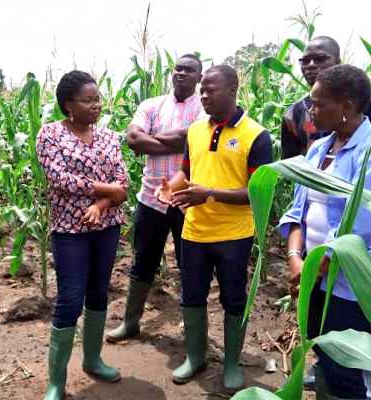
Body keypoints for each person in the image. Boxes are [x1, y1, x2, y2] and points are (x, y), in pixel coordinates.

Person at [279, 64, 371, 399]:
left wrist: (314, 269)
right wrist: (296, 258)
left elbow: (365, 228)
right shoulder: (318, 149)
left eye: (318, 104)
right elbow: (298, 210)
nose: (311, 111)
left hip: (353, 283)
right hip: (313, 274)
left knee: (345, 367)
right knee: (324, 352)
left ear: (347, 107)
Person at [155, 65, 273, 392]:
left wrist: (208, 194)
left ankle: (232, 363)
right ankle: (196, 357)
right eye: (202, 90)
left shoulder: (256, 135)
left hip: (234, 235)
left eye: (211, 90)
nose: (203, 95)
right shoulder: (194, 130)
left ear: (234, 89)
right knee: (192, 297)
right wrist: (170, 189)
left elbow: (257, 193)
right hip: (194, 232)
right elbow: (186, 172)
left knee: (234, 300)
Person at [36, 70, 128, 400]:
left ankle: (92, 359)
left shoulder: (108, 137)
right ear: (67, 104)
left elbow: (123, 183)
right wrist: (107, 191)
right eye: (88, 100)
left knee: (99, 293)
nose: (97, 105)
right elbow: (60, 179)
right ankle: (56, 383)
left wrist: (101, 205)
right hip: (69, 231)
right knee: (70, 299)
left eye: (98, 99)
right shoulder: (49, 135)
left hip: (106, 227)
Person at [106, 54, 206, 343]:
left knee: (190, 265)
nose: (182, 73)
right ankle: (130, 322)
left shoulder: (204, 106)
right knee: (143, 261)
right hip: (151, 198)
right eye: (178, 68)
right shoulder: (151, 104)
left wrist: (153, 137)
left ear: (199, 77)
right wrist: (175, 140)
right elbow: (133, 139)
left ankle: (193, 332)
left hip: (188, 198)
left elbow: (194, 138)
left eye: (190, 70)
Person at [281, 36, 371, 159]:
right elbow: (289, 166)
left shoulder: (369, 104)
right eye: (305, 61)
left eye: (320, 59)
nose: (310, 65)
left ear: (337, 63)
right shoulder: (293, 115)